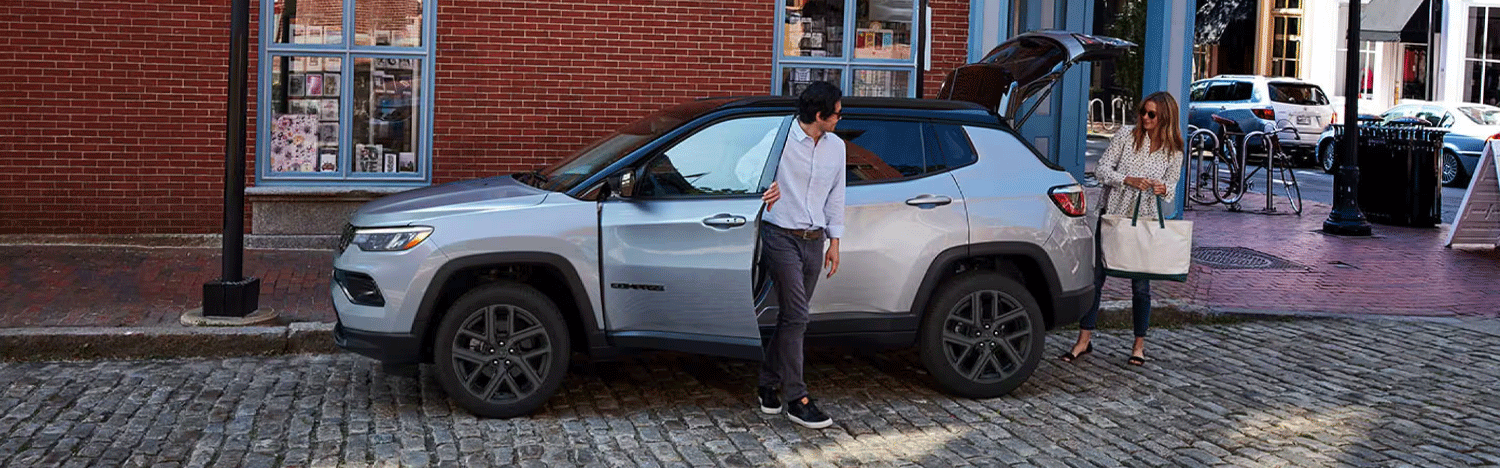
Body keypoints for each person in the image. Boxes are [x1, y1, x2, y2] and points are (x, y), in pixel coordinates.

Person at [1060, 91, 1184, 367]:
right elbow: (1102, 170)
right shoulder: (1126, 136)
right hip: (1113, 216)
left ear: (1164, 117)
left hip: (1144, 221)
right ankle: (1084, 340)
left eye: (1152, 114)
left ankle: (1139, 346)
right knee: (1097, 280)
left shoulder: (1174, 150)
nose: (1145, 118)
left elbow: (1172, 189)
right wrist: (1128, 179)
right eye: (1143, 112)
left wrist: (1162, 188)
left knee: (1140, 287)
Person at [756, 81, 846, 429]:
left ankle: (767, 382)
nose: (841, 118)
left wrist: (834, 241)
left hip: (815, 239)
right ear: (819, 115)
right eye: (837, 113)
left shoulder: (836, 147)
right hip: (780, 235)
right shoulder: (780, 138)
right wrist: (763, 188)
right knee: (797, 316)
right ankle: (797, 398)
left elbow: (837, 194)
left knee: (792, 318)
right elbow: (744, 169)